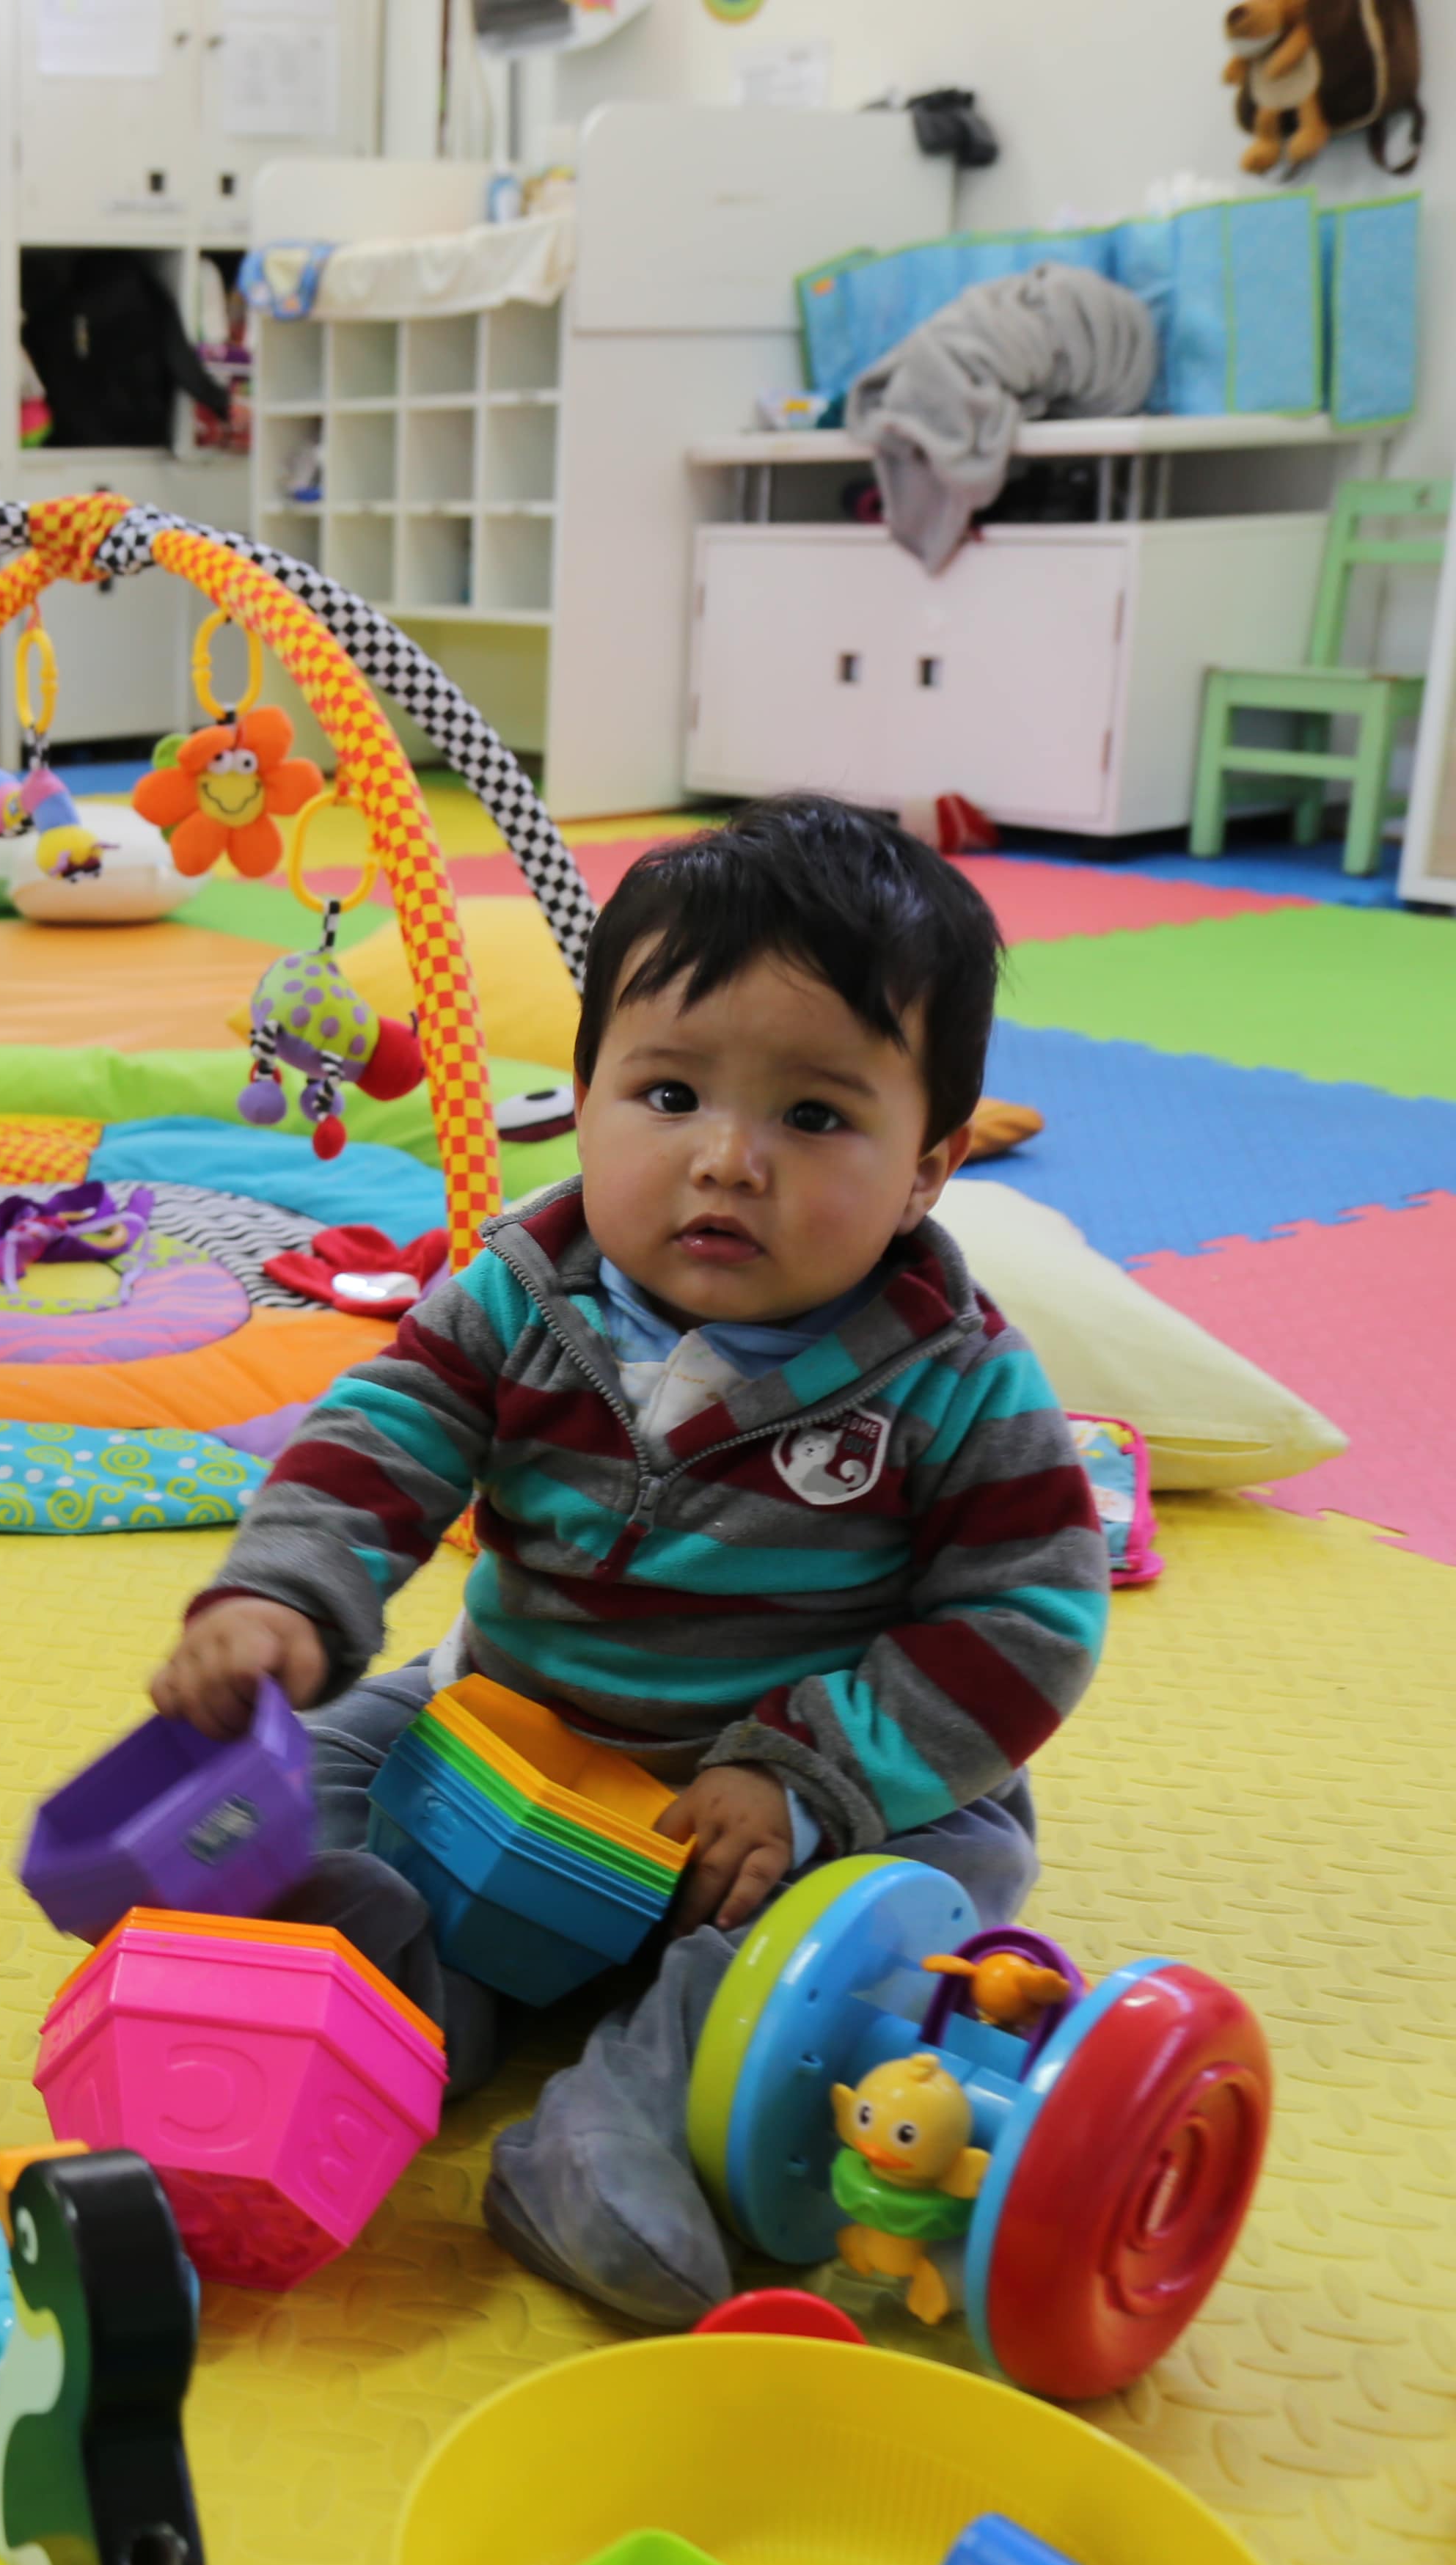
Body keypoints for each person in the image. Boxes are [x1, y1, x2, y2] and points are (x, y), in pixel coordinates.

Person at [147, 797, 1108, 2330]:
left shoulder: (954, 1379)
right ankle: (397, 1990)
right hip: (512, 1739)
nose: (727, 1161)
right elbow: (383, 1436)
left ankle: (623, 2124)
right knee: (300, 1769)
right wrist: (282, 1591)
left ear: (927, 1167)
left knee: (922, 1903)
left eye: (814, 1118)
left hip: (792, 1798)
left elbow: (1030, 1614)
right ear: (580, 1100)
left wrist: (803, 1777)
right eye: (668, 1093)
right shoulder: (518, 1295)